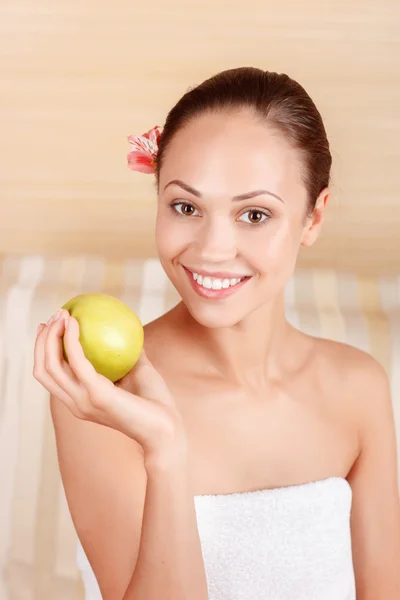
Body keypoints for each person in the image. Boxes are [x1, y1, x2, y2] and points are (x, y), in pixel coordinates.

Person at [33, 67, 400, 600]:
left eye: (254, 214)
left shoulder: (359, 387)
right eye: (186, 207)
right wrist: (165, 449)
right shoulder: (100, 395)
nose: (212, 249)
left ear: (313, 218)